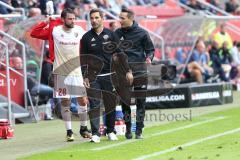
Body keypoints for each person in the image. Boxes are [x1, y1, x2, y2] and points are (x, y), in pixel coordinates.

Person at [31, 8, 91, 142]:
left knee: (83, 100)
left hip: (76, 72)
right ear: (63, 19)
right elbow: (34, 33)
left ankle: (83, 128)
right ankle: (69, 131)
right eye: (70, 18)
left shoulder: (79, 31)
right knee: (66, 102)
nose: (73, 21)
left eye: (74, 18)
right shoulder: (55, 31)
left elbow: (89, 43)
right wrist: (46, 21)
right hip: (61, 72)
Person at [115, 8, 155, 139]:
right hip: (123, 72)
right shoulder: (117, 33)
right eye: (119, 17)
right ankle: (127, 128)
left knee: (141, 102)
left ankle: (139, 130)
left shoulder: (142, 33)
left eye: (122, 18)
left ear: (131, 19)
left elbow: (150, 49)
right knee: (125, 101)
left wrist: (149, 57)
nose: (119, 20)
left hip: (140, 71)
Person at [81, 8, 119, 143]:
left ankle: (110, 131)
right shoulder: (86, 38)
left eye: (97, 17)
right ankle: (96, 133)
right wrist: (84, 76)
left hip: (110, 75)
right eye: (92, 18)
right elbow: (83, 59)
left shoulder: (111, 35)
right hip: (93, 77)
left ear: (102, 19)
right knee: (94, 104)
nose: (94, 20)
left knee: (110, 104)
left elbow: (118, 54)